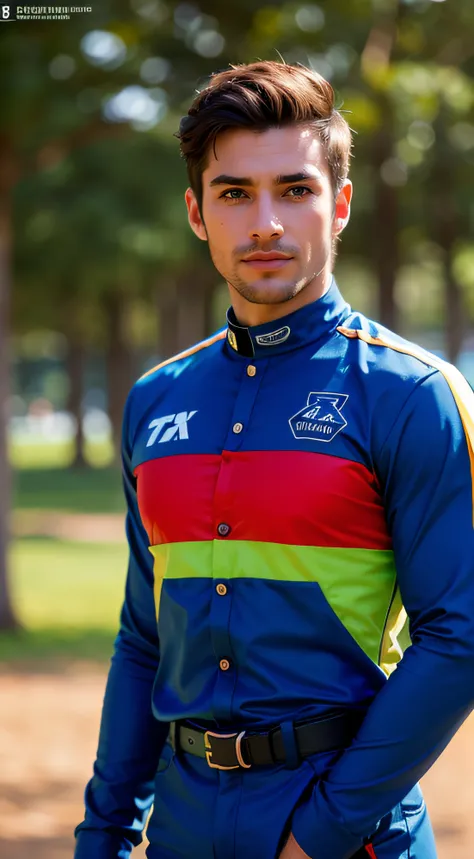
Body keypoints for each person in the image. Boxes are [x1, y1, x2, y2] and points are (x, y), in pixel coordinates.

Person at [74, 61, 474, 859]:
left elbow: (459, 634)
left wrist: (316, 835)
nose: (266, 224)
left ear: (342, 205)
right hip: (184, 828)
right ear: (196, 212)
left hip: (348, 833)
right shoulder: (155, 402)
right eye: (234, 193)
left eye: (295, 190)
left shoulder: (412, 393)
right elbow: (144, 639)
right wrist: (105, 834)